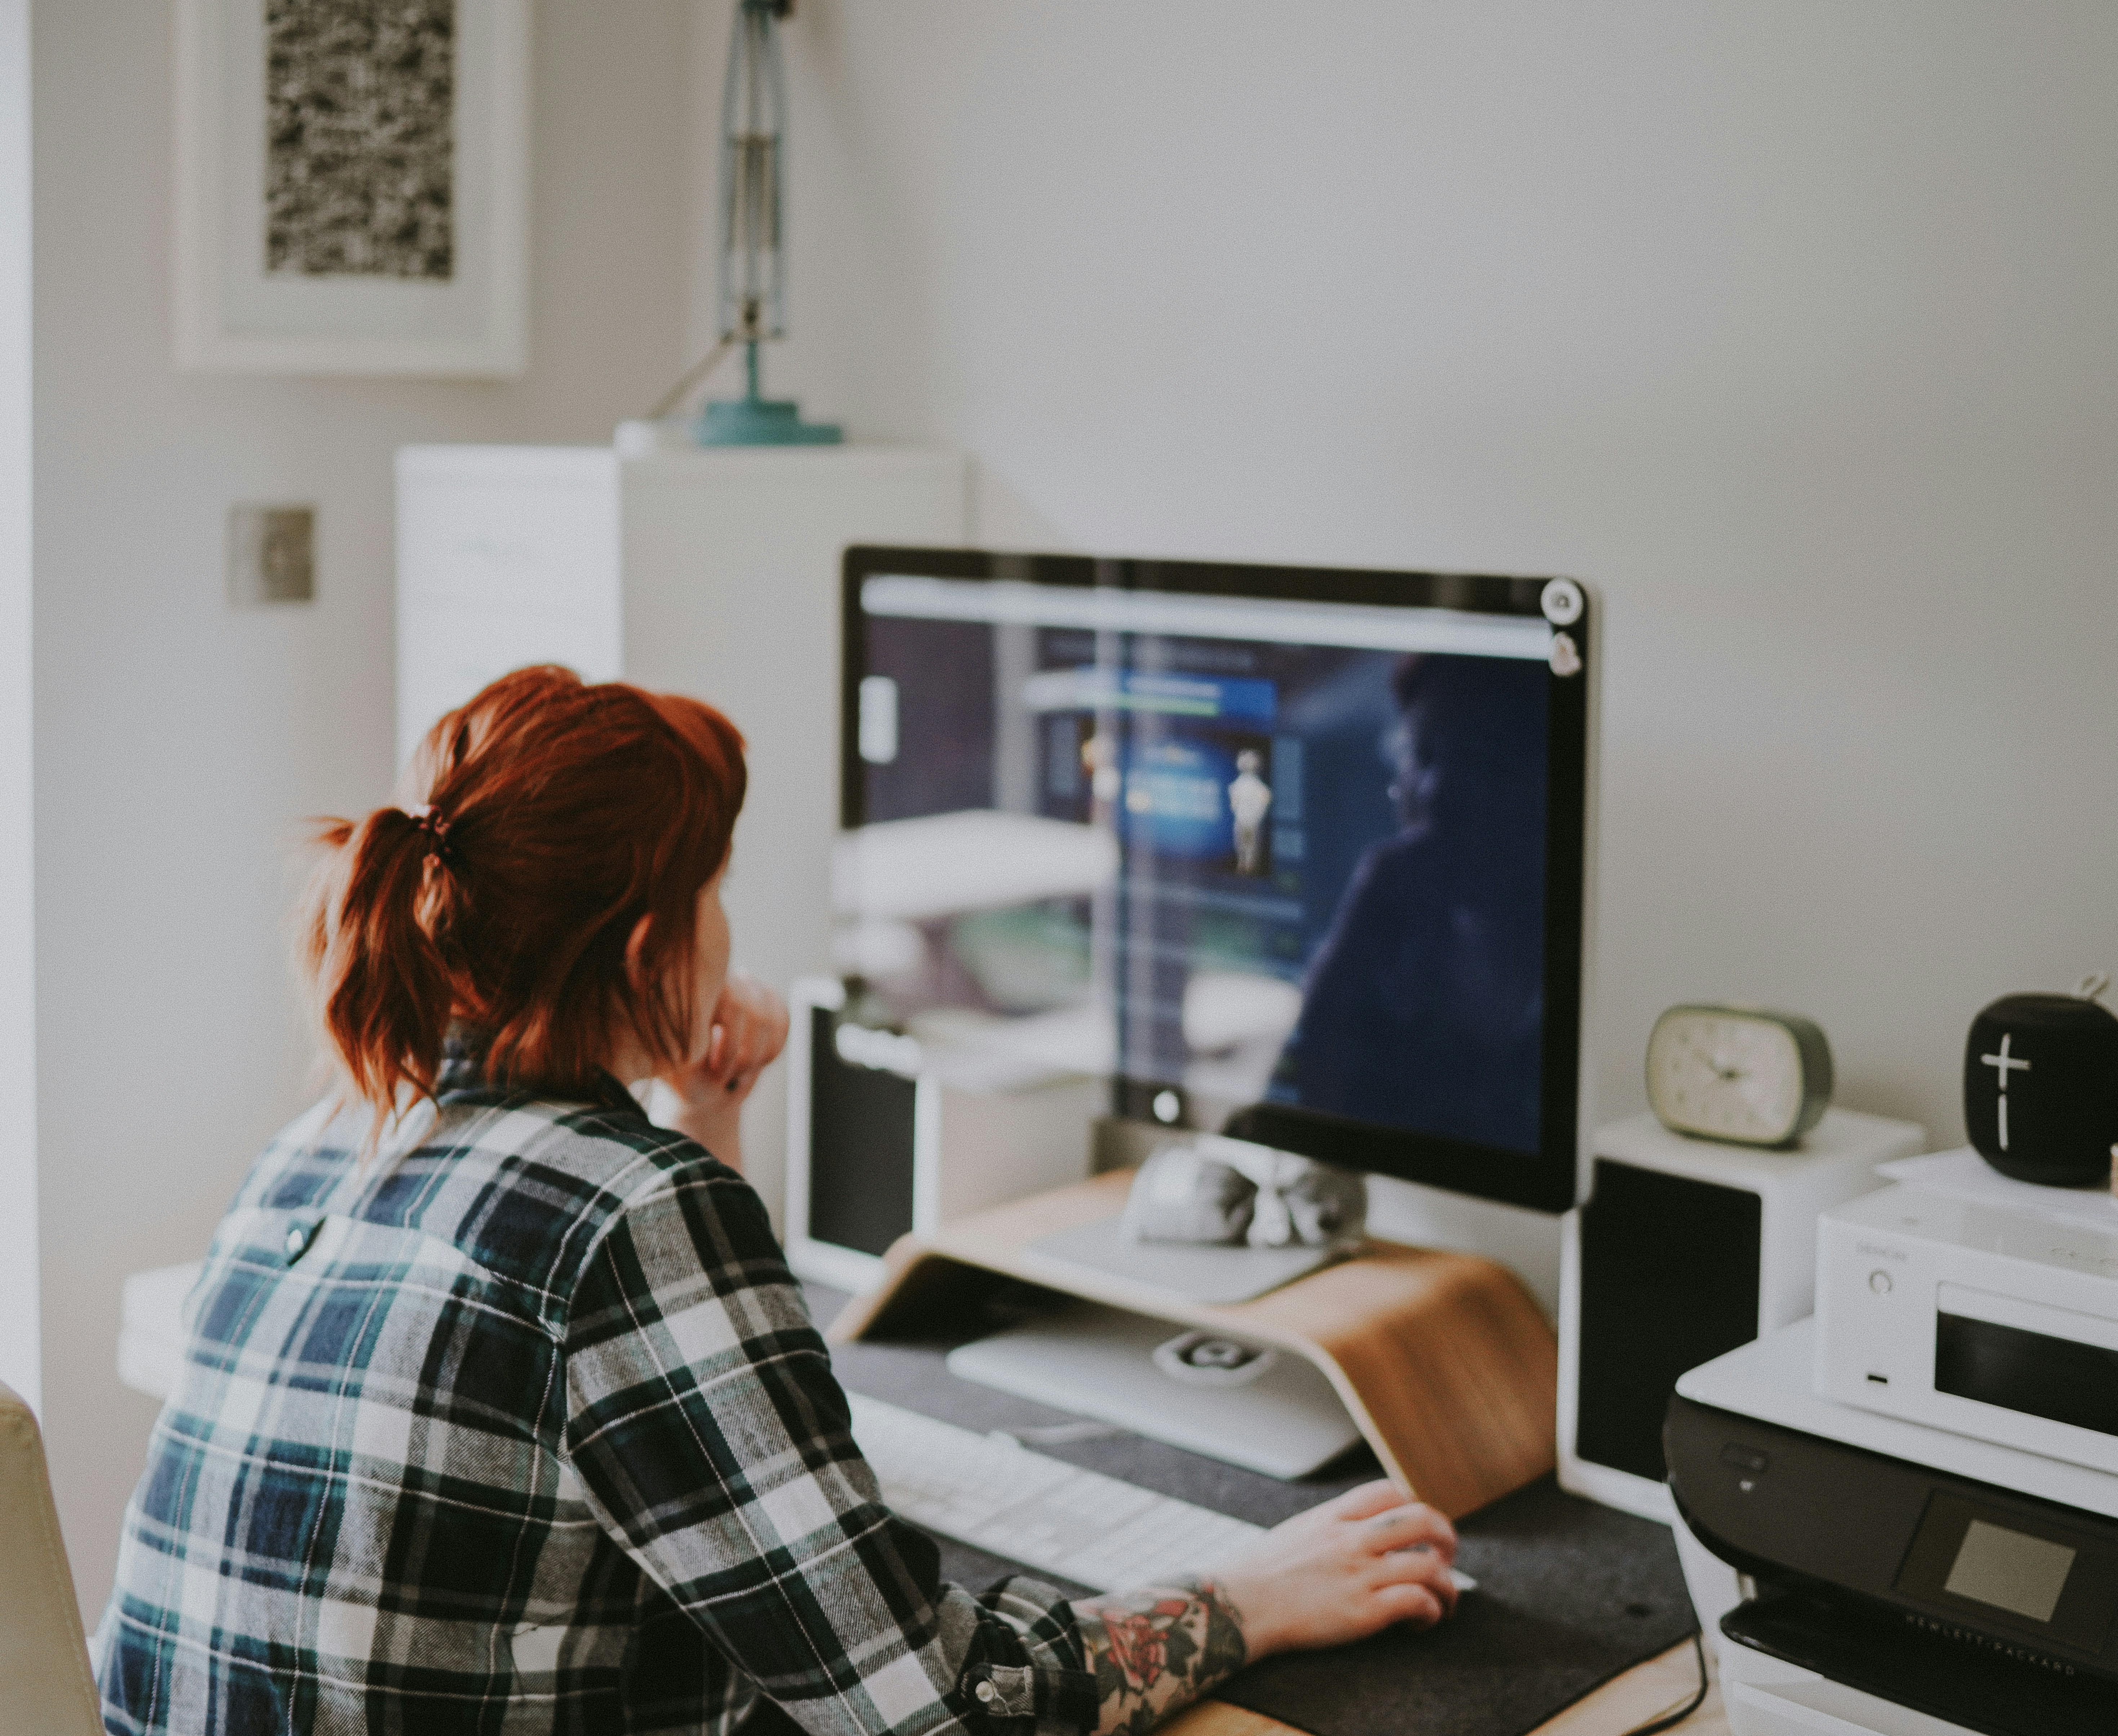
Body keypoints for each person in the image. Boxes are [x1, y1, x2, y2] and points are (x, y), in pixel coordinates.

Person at [94, 666, 1459, 1736]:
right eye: (717, 894)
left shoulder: (330, 1135)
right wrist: (1253, 1598)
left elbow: (684, 1438)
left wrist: (704, 1119)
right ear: (651, 948)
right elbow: (932, 1707)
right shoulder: (626, 1215)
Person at [1281, 654, 1548, 1154]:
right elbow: (1294, 1105)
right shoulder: (1392, 912)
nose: (1437, 790)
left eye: (1479, 759)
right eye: (1421, 754)